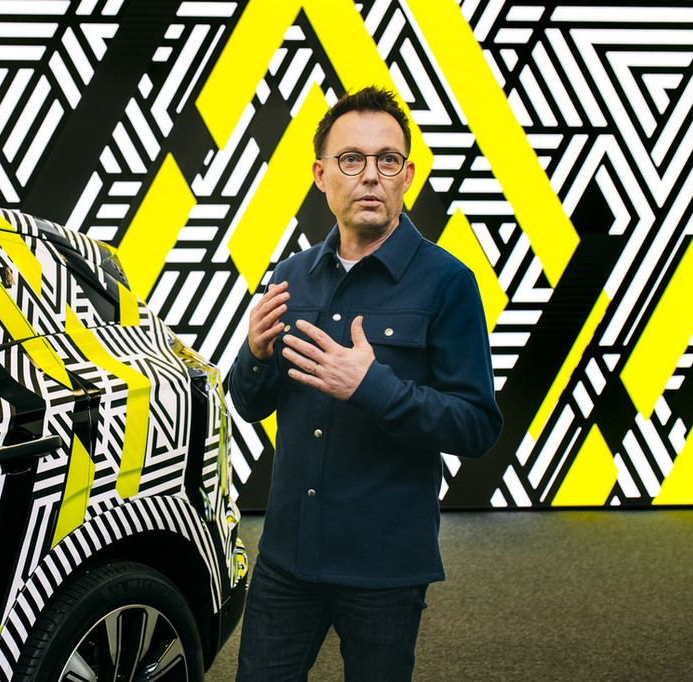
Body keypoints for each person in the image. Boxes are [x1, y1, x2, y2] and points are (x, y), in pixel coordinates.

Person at [227, 86, 503, 681]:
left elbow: (477, 426)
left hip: (384, 567)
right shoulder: (292, 275)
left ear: (407, 176)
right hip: (286, 557)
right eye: (352, 159)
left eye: (387, 160)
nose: (371, 175)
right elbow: (249, 404)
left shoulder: (448, 282)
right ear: (321, 175)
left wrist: (371, 387)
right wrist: (254, 355)